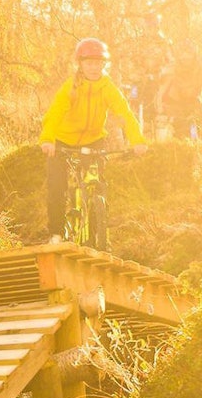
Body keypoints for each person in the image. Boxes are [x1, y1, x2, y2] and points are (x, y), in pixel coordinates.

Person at [39, 38, 148, 244]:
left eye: (98, 63)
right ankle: (56, 233)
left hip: (93, 141)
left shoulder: (108, 88)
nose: (94, 67)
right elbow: (54, 113)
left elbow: (124, 113)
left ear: (104, 64)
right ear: (80, 64)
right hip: (63, 142)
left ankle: (97, 232)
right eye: (89, 63)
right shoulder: (71, 87)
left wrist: (137, 140)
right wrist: (48, 139)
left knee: (96, 184)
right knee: (57, 186)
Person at [155, 38, 202, 139]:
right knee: (181, 129)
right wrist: (160, 109)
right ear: (178, 56)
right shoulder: (171, 69)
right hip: (174, 104)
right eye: (182, 55)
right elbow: (161, 92)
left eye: (189, 55)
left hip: (193, 101)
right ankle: (181, 146)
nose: (186, 58)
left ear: (194, 54)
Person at [117, 13, 172, 126]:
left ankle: (158, 133)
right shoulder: (138, 42)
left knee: (159, 107)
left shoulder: (165, 43)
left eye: (154, 26)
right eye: (148, 26)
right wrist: (139, 74)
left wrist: (159, 74)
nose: (151, 29)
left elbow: (171, 63)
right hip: (138, 81)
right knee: (133, 100)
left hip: (158, 82)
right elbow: (130, 60)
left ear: (158, 26)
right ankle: (132, 129)